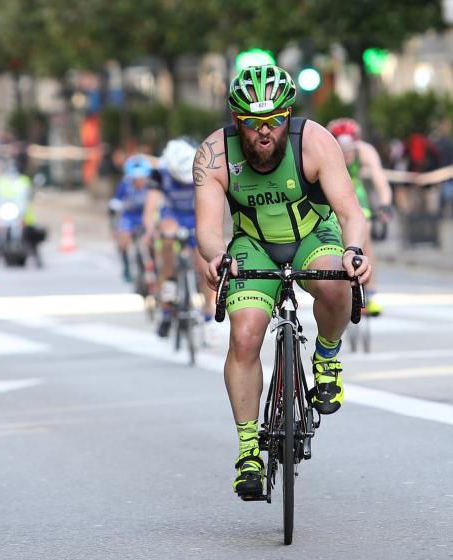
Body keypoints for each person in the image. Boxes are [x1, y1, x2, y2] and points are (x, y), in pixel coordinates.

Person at [194, 64, 370, 498]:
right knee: (247, 333)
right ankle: (249, 449)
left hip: (313, 233)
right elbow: (208, 228)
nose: (264, 132)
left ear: (288, 115)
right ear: (237, 121)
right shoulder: (214, 154)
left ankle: (326, 356)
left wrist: (355, 251)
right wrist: (217, 257)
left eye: (274, 120)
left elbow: (350, 211)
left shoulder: (314, 141)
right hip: (252, 244)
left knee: (334, 282)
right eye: (253, 124)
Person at [143, 138, 216, 338]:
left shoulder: (201, 166)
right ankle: (167, 302)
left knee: (206, 267)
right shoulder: (160, 172)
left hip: (195, 215)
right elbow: (151, 208)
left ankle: (208, 313)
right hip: (172, 215)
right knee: (166, 237)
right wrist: (150, 230)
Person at [326, 118, 392, 315]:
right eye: (342, 149)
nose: (347, 154)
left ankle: (370, 292)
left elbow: (380, 179)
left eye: (350, 149)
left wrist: (385, 204)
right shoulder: (326, 149)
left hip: (355, 194)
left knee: (365, 235)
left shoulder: (365, 151)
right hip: (333, 192)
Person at [109, 155, 152, 282]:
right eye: (135, 178)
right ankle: (126, 266)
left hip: (145, 214)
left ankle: (152, 263)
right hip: (129, 215)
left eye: (141, 178)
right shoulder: (125, 184)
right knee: (124, 238)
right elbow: (115, 203)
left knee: (151, 239)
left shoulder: (151, 185)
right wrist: (114, 225)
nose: (139, 181)